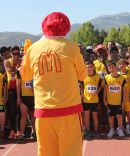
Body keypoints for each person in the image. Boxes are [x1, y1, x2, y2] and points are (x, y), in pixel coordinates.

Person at [19, 12, 87, 156]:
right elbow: (83, 75)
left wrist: (25, 55)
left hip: (43, 112)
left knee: (46, 152)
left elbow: (25, 76)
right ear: (66, 27)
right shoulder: (72, 47)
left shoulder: (33, 49)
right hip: (69, 110)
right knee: (71, 152)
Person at [104, 60, 126, 138]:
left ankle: (120, 129)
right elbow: (105, 90)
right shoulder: (106, 78)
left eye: (112, 67)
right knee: (111, 116)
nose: (111, 69)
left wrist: (123, 101)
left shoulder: (122, 78)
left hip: (119, 102)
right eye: (109, 68)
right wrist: (104, 100)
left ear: (116, 67)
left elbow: (124, 91)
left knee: (119, 116)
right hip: (110, 102)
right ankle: (111, 129)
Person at [81, 61, 102, 140]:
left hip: (95, 101)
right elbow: (81, 86)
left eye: (90, 67)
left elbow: (101, 85)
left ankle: (96, 131)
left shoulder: (97, 77)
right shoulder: (83, 77)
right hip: (86, 101)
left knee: (95, 117)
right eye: (87, 67)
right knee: (86, 117)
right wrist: (82, 94)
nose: (89, 69)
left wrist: (97, 91)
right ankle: (88, 131)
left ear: (93, 68)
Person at [4, 45, 21, 139]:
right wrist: (18, 67)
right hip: (10, 89)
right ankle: (12, 131)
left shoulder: (22, 60)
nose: (16, 56)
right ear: (11, 54)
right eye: (14, 54)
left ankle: (19, 131)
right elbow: (11, 71)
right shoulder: (7, 61)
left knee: (20, 111)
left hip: (20, 89)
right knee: (12, 111)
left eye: (18, 54)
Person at [16, 71, 35, 142]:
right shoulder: (20, 71)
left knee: (33, 117)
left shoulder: (34, 69)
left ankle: (35, 133)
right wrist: (18, 97)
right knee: (23, 116)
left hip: (33, 97)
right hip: (23, 97)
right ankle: (22, 134)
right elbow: (18, 84)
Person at [118, 59, 130, 135]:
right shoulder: (118, 74)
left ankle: (128, 127)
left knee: (128, 113)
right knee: (120, 113)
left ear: (126, 65)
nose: (121, 66)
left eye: (122, 64)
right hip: (120, 98)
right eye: (120, 64)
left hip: (127, 97)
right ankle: (121, 127)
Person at [0, 57, 7, 139]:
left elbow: (4, 87)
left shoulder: (1, 76)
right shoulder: (2, 76)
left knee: (2, 114)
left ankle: (2, 131)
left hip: (0, 100)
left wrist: (5, 97)